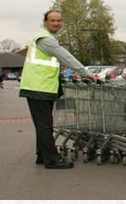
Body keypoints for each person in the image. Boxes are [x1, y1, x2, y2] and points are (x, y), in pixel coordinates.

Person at [19, 10, 97, 169]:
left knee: (42, 124)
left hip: (41, 86)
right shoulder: (46, 39)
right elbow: (66, 57)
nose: (56, 23)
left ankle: (42, 155)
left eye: (59, 21)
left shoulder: (47, 37)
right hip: (38, 87)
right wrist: (87, 74)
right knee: (44, 124)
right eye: (52, 20)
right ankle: (52, 160)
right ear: (45, 22)